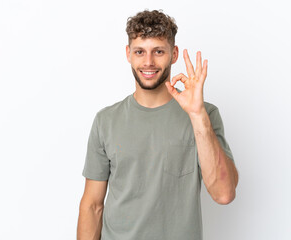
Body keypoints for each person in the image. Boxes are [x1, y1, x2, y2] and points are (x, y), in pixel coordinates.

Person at [77, 9, 239, 240]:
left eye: (158, 51)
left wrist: (197, 114)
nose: (148, 62)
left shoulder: (205, 115)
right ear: (128, 54)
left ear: (173, 54)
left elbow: (224, 194)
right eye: (140, 52)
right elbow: (92, 206)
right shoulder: (106, 121)